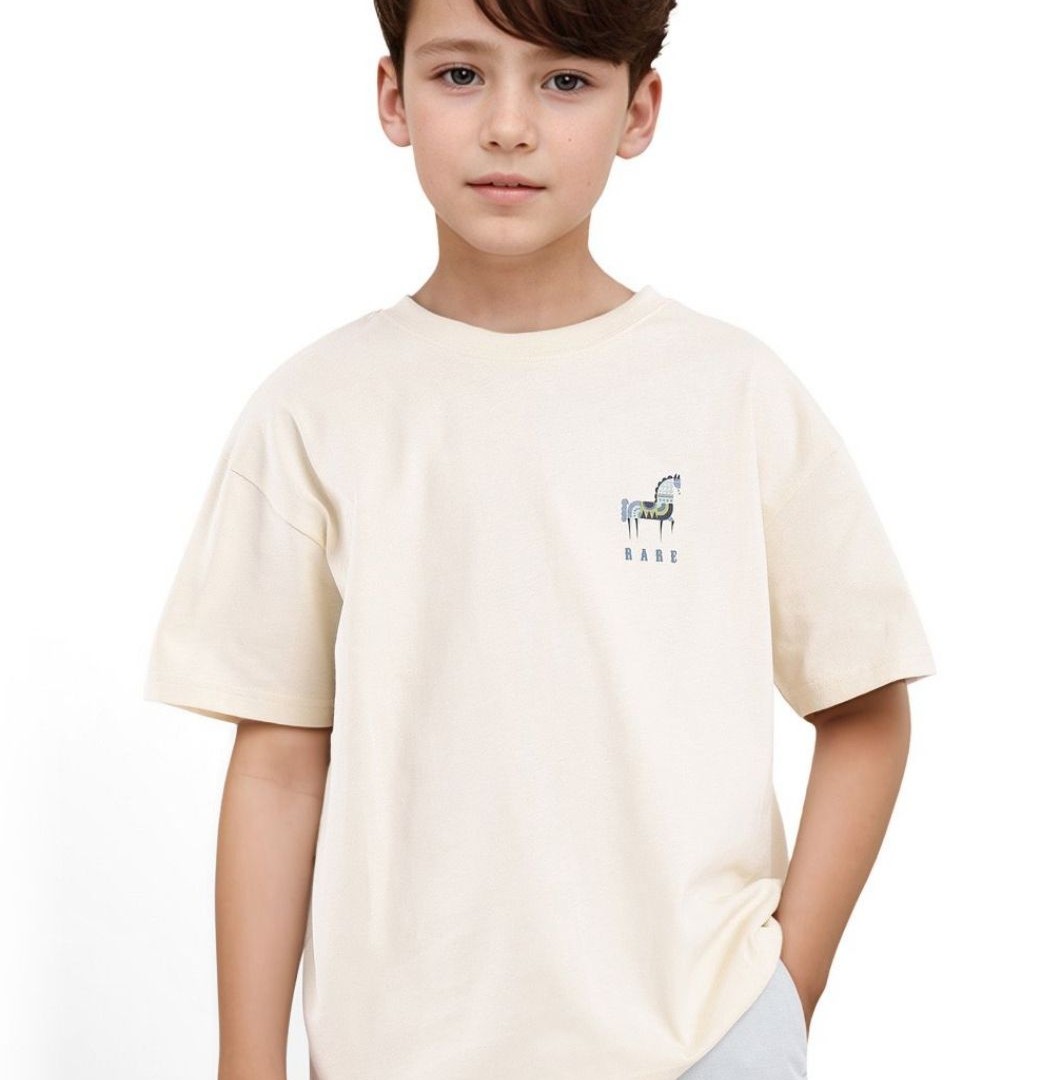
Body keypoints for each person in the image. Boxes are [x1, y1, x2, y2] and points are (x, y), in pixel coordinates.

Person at [142, 1, 937, 1078]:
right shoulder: (314, 413)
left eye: (565, 80)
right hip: (400, 1054)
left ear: (638, 110)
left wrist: (784, 992)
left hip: (699, 1041)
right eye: (460, 75)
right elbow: (280, 764)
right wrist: (248, 1066)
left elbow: (865, 706)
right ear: (393, 98)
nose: (508, 126)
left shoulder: (733, 393)